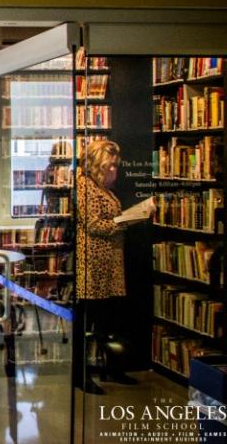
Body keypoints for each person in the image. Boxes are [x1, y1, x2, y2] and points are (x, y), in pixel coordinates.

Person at [76, 139, 152, 393]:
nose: (113, 172)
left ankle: (111, 368)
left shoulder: (104, 189)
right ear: (96, 165)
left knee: (110, 320)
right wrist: (126, 221)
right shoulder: (84, 186)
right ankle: (83, 373)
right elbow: (94, 224)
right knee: (92, 320)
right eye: (108, 167)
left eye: (114, 167)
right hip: (93, 263)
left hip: (110, 263)